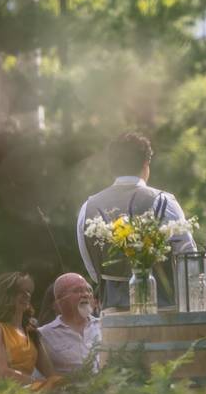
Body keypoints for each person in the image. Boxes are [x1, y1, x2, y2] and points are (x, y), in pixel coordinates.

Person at [77, 132, 196, 312]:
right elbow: (188, 258)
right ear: (145, 164)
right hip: (162, 313)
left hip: (112, 315)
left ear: (112, 167)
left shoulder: (88, 206)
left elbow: (93, 269)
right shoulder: (163, 201)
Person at [0, 272, 57, 387]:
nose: (26, 295)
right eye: (20, 291)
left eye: (29, 292)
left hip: (29, 390)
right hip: (1, 392)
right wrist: (39, 384)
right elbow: (2, 373)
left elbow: (51, 374)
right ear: (4, 295)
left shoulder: (31, 332)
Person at [38, 273, 101, 375]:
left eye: (88, 290)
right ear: (60, 300)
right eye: (77, 291)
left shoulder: (104, 326)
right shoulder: (44, 335)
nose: (85, 294)